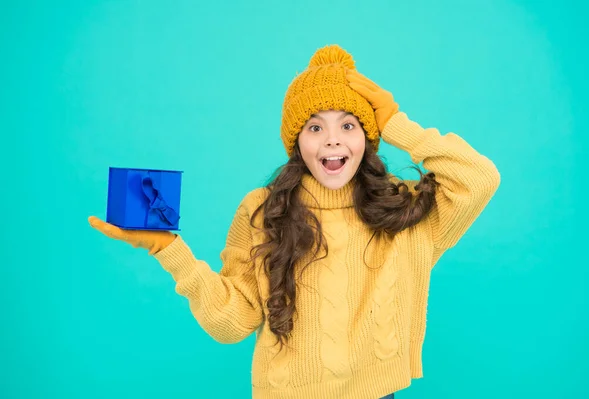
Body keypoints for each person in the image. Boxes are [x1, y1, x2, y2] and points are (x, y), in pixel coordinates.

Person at [88, 44, 501, 399]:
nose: (333, 139)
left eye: (350, 125)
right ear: (297, 142)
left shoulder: (405, 212)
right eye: (315, 126)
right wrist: (168, 250)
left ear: (368, 138)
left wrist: (397, 125)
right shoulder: (264, 211)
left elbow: (480, 178)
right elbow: (232, 322)